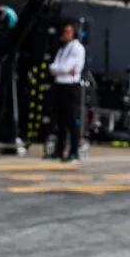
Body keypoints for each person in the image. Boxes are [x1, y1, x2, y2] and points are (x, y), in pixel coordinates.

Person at [49, 21, 85, 164]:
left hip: (71, 86)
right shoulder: (62, 49)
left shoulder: (77, 48)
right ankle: (59, 150)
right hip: (60, 85)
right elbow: (54, 67)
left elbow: (68, 67)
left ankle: (74, 152)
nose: (65, 35)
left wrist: (61, 69)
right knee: (60, 120)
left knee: (72, 120)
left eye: (68, 32)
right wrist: (61, 70)